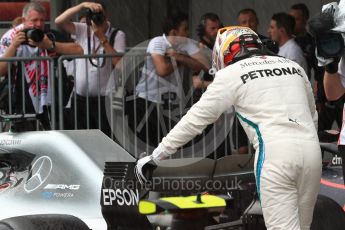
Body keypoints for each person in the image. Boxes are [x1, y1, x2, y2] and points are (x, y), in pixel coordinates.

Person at [136, 26, 322, 229]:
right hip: (312, 152)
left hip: (275, 156)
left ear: (225, 52)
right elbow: (312, 115)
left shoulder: (231, 74)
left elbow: (194, 121)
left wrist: (157, 156)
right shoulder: (295, 67)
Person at [128, 12, 208, 149]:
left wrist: (180, 57)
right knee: (142, 146)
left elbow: (205, 64)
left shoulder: (186, 44)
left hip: (169, 104)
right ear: (174, 32)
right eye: (185, 29)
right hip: (146, 101)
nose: (188, 33)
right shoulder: (157, 42)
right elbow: (162, 70)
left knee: (167, 145)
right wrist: (181, 60)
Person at [0, 2, 83, 131]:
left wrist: (50, 45)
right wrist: (13, 46)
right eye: (34, 20)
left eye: (42, 20)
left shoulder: (48, 35)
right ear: (24, 20)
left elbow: (79, 50)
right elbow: (1, 70)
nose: (39, 24)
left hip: (50, 102)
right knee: (25, 147)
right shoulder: (11, 37)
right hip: (21, 103)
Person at [55, 1, 126, 136]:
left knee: (105, 137)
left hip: (104, 99)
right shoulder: (83, 30)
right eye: (93, 17)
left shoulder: (117, 34)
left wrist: (102, 38)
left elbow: (119, 63)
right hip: (80, 98)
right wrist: (81, 6)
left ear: (106, 17)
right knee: (82, 138)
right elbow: (59, 21)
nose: (97, 20)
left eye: (100, 16)